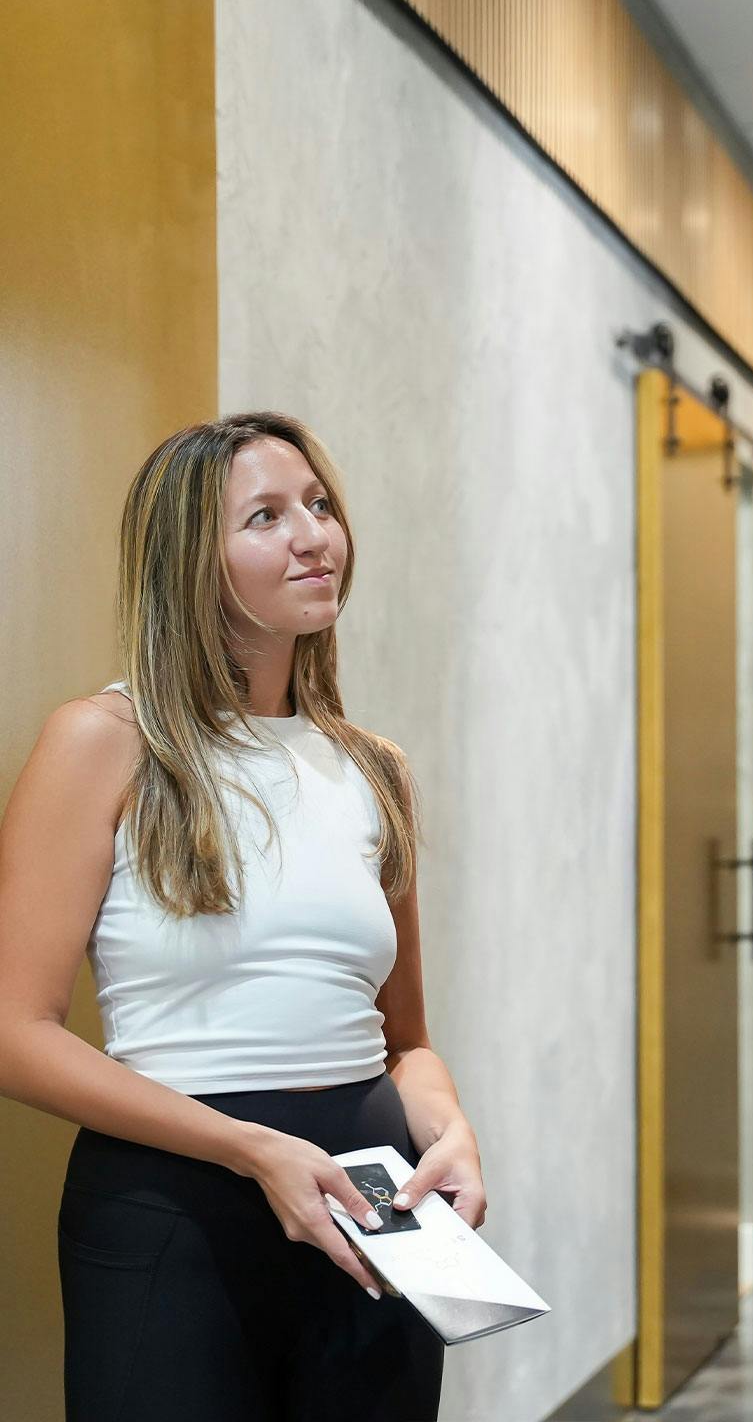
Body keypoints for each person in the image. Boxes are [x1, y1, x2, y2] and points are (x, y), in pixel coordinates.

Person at [0, 413, 486, 1421]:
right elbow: (13, 1032)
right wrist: (248, 1147)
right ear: (190, 561)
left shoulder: (374, 769)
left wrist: (449, 1130)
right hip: (174, 1210)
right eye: (265, 517)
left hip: (374, 1206)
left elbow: (405, 1041)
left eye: (318, 505)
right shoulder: (102, 741)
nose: (314, 536)